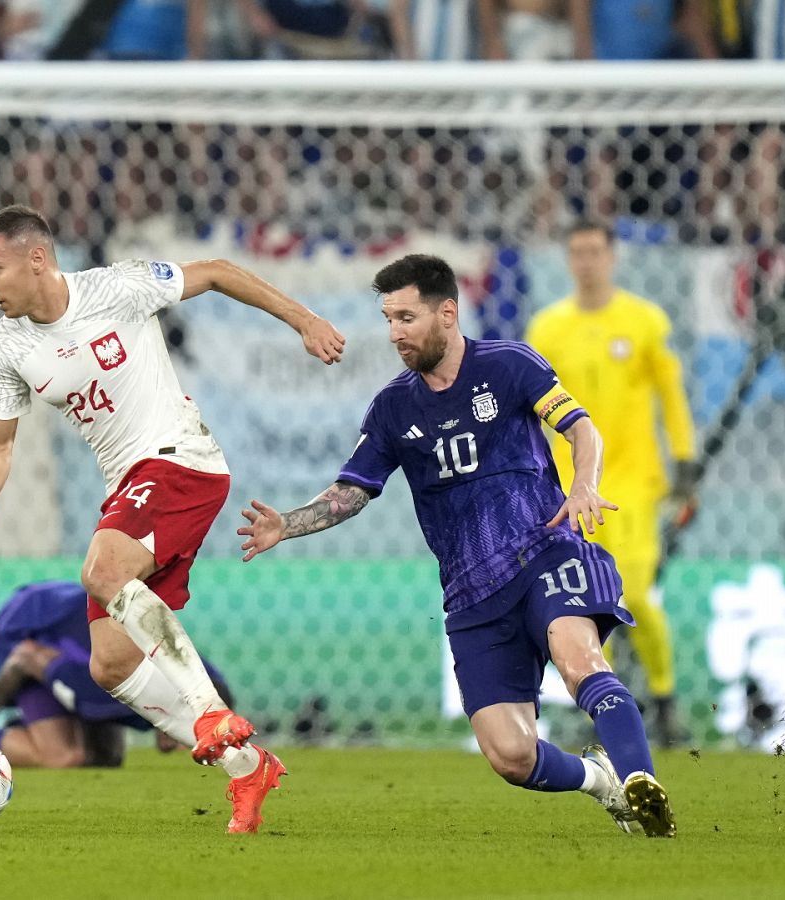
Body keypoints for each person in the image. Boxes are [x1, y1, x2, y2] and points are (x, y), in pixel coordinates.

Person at [239, 253, 676, 838]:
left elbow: (579, 426)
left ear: (448, 312)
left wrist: (584, 485)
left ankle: (643, 782)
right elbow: (353, 491)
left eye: (406, 317)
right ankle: (603, 781)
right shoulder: (395, 407)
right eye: (389, 318)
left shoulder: (510, 366)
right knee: (511, 756)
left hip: (544, 551)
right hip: (472, 593)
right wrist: (285, 525)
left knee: (579, 658)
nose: (394, 332)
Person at [0, 204, 345, 833]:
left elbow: (217, 271)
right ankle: (248, 766)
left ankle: (209, 712)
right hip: (128, 485)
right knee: (107, 664)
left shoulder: (116, 288)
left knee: (102, 571)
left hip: (180, 460)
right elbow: (0, 441)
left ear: (36, 258)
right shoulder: (9, 345)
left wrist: (304, 320)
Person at [525, 220, 698, 747]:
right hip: (570, 487)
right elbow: (529, 410)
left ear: (612, 256)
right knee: (584, 601)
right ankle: (608, 703)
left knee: (638, 594)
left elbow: (670, 393)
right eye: (577, 252)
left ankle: (665, 699)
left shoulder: (644, 321)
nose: (587, 261)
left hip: (633, 482)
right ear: (567, 259)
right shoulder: (548, 329)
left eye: (595, 251)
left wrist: (685, 459)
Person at [0, 581, 237, 769]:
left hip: (67, 631)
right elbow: (24, 659)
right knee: (64, 757)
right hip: (25, 632)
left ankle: (16, 730)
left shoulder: (183, 673)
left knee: (106, 758)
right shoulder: (106, 672)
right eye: (202, 738)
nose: (203, 752)